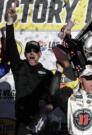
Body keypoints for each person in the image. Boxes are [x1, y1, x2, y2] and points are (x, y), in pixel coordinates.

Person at [5, 4, 53, 135]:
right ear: (25, 54)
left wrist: (48, 105)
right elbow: (10, 45)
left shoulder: (48, 74)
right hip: (22, 124)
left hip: (41, 124)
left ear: (40, 54)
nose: (32, 53)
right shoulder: (19, 67)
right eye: (28, 51)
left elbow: (51, 99)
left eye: (35, 51)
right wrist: (9, 23)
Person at [67, 64, 92, 135]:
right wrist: (59, 71)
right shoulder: (70, 97)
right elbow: (53, 92)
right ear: (80, 79)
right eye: (89, 77)